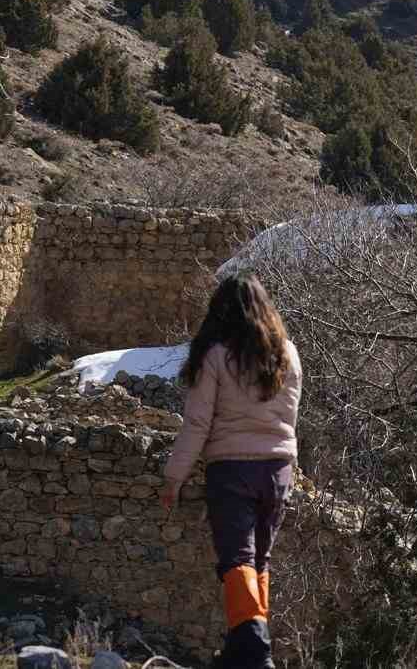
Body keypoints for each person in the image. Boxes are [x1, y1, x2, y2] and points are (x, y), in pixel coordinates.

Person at [161, 274, 302, 669]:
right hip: (278, 469)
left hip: (232, 468)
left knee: (237, 558)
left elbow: (197, 424)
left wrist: (174, 477)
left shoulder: (217, 355)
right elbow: (290, 418)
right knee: (259, 561)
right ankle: (242, 650)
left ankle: (255, 647)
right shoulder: (288, 353)